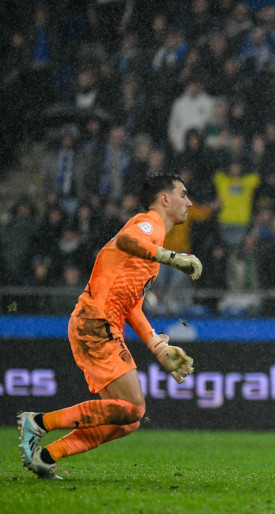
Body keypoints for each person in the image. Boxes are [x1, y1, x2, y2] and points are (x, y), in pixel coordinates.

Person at [17, 173, 203, 479]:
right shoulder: (150, 223)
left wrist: (159, 348)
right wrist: (172, 257)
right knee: (134, 408)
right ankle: (39, 423)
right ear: (164, 199)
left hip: (99, 324)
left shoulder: (152, 252)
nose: (189, 202)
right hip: (95, 320)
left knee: (127, 419)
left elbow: (133, 307)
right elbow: (127, 240)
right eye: (183, 194)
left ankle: (48, 456)